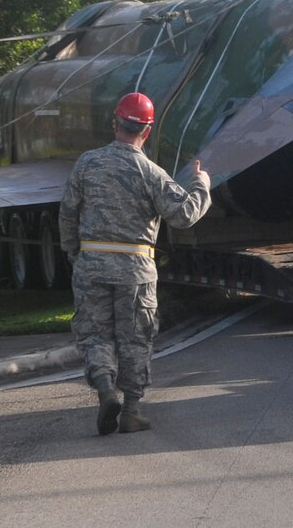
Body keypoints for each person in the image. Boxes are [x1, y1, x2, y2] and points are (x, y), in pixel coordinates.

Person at [58, 92, 211, 436]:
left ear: (115, 124)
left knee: (95, 334)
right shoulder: (151, 172)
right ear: (148, 131)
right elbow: (184, 214)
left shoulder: (87, 164)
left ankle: (104, 389)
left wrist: (74, 254)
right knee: (135, 340)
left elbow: (67, 213)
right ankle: (130, 411)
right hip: (135, 270)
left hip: (92, 264)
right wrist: (202, 185)